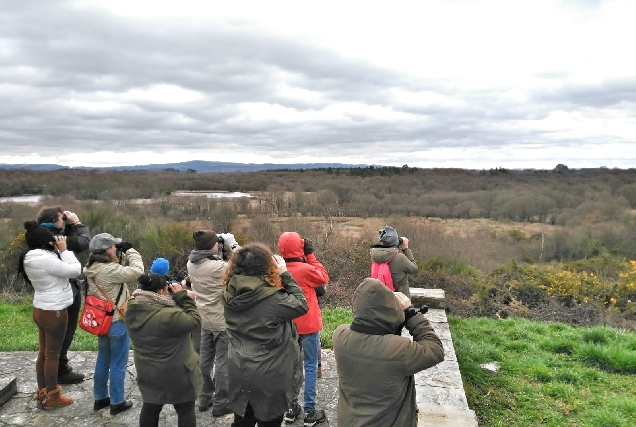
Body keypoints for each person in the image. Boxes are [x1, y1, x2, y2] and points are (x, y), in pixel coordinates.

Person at [332, 278, 445, 427]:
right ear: (389, 309)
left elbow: (365, 328)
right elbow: (435, 348)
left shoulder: (340, 335)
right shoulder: (400, 350)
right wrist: (411, 314)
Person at [222, 243, 308, 427]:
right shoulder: (273, 299)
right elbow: (301, 304)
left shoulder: (228, 293)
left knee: (243, 419)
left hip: (239, 367)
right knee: (269, 421)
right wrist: (284, 274)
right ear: (267, 268)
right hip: (270, 373)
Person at [18, 221, 82, 409]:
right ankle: (53, 397)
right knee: (52, 355)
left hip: (41, 309)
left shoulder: (30, 256)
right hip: (54, 312)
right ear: (44, 241)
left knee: (43, 354)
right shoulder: (45, 259)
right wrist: (64, 250)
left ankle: (43, 392)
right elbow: (74, 270)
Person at [125, 273, 203, 427]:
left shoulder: (132, 309)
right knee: (185, 410)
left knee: (150, 408)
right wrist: (183, 297)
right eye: (167, 290)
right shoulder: (170, 316)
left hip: (148, 371)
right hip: (178, 372)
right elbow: (194, 321)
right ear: (161, 292)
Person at [83, 233, 144, 416]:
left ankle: (100, 397)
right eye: (113, 246)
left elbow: (118, 271)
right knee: (118, 363)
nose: (116, 248)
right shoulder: (109, 270)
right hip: (116, 321)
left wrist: (120, 254)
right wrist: (131, 251)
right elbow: (137, 271)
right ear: (107, 250)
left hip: (101, 320)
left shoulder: (91, 267)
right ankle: (117, 402)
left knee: (103, 359)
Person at [278, 232, 329, 426]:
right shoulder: (305, 269)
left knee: (291, 367)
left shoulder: (277, 271)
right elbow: (323, 277)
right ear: (300, 248)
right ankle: (310, 411)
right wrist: (310, 255)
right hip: (308, 325)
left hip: (288, 326)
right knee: (309, 366)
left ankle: (291, 409)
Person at [187, 230, 239, 416]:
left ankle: (204, 396)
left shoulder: (191, 264)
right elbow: (244, 263)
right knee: (223, 362)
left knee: (204, 360)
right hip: (221, 321)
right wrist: (231, 244)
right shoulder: (217, 268)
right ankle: (221, 402)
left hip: (203, 318)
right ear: (212, 246)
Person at [37, 206, 91, 384]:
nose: (64, 221)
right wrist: (77, 223)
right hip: (64, 292)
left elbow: (69, 243)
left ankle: (51, 375)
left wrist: (67, 227)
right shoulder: (53, 238)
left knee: (48, 341)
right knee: (64, 333)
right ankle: (60, 371)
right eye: (62, 219)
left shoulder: (38, 236)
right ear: (54, 222)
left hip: (46, 294)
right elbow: (83, 242)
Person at [370, 226, 418, 298]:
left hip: (382, 297)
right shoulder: (400, 258)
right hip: (400, 299)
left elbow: (389, 251)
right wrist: (405, 249)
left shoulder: (375, 256)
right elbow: (414, 269)